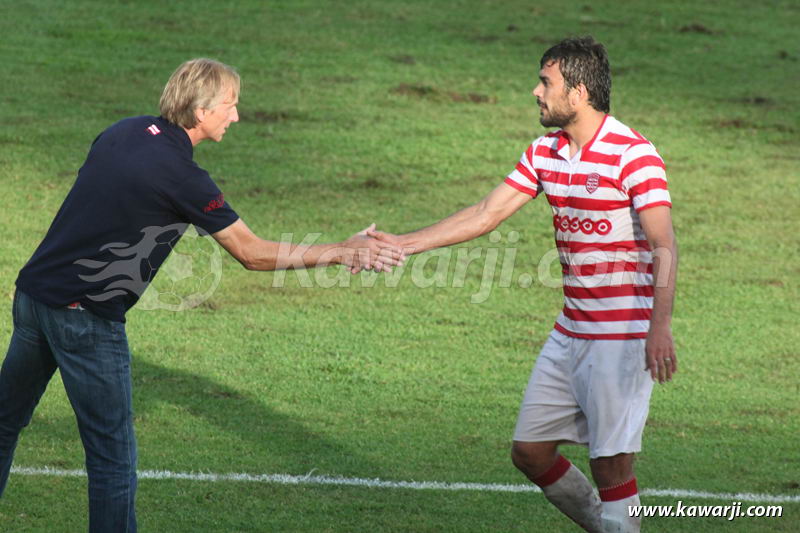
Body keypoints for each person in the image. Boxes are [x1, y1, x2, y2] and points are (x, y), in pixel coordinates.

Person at [0, 58, 403, 532]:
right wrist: (340, 251)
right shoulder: (184, 178)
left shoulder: (122, 131)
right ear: (200, 109)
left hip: (33, 297)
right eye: (230, 106)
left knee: (5, 420)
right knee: (112, 456)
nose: (236, 117)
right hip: (85, 317)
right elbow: (251, 254)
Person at [368, 37, 677, 532]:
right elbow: (486, 213)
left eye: (546, 83)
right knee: (530, 452)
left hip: (620, 337)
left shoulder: (634, 155)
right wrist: (404, 243)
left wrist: (659, 326)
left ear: (577, 92)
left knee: (612, 464)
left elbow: (664, 243)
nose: (536, 92)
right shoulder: (545, 152)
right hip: (570, 330)